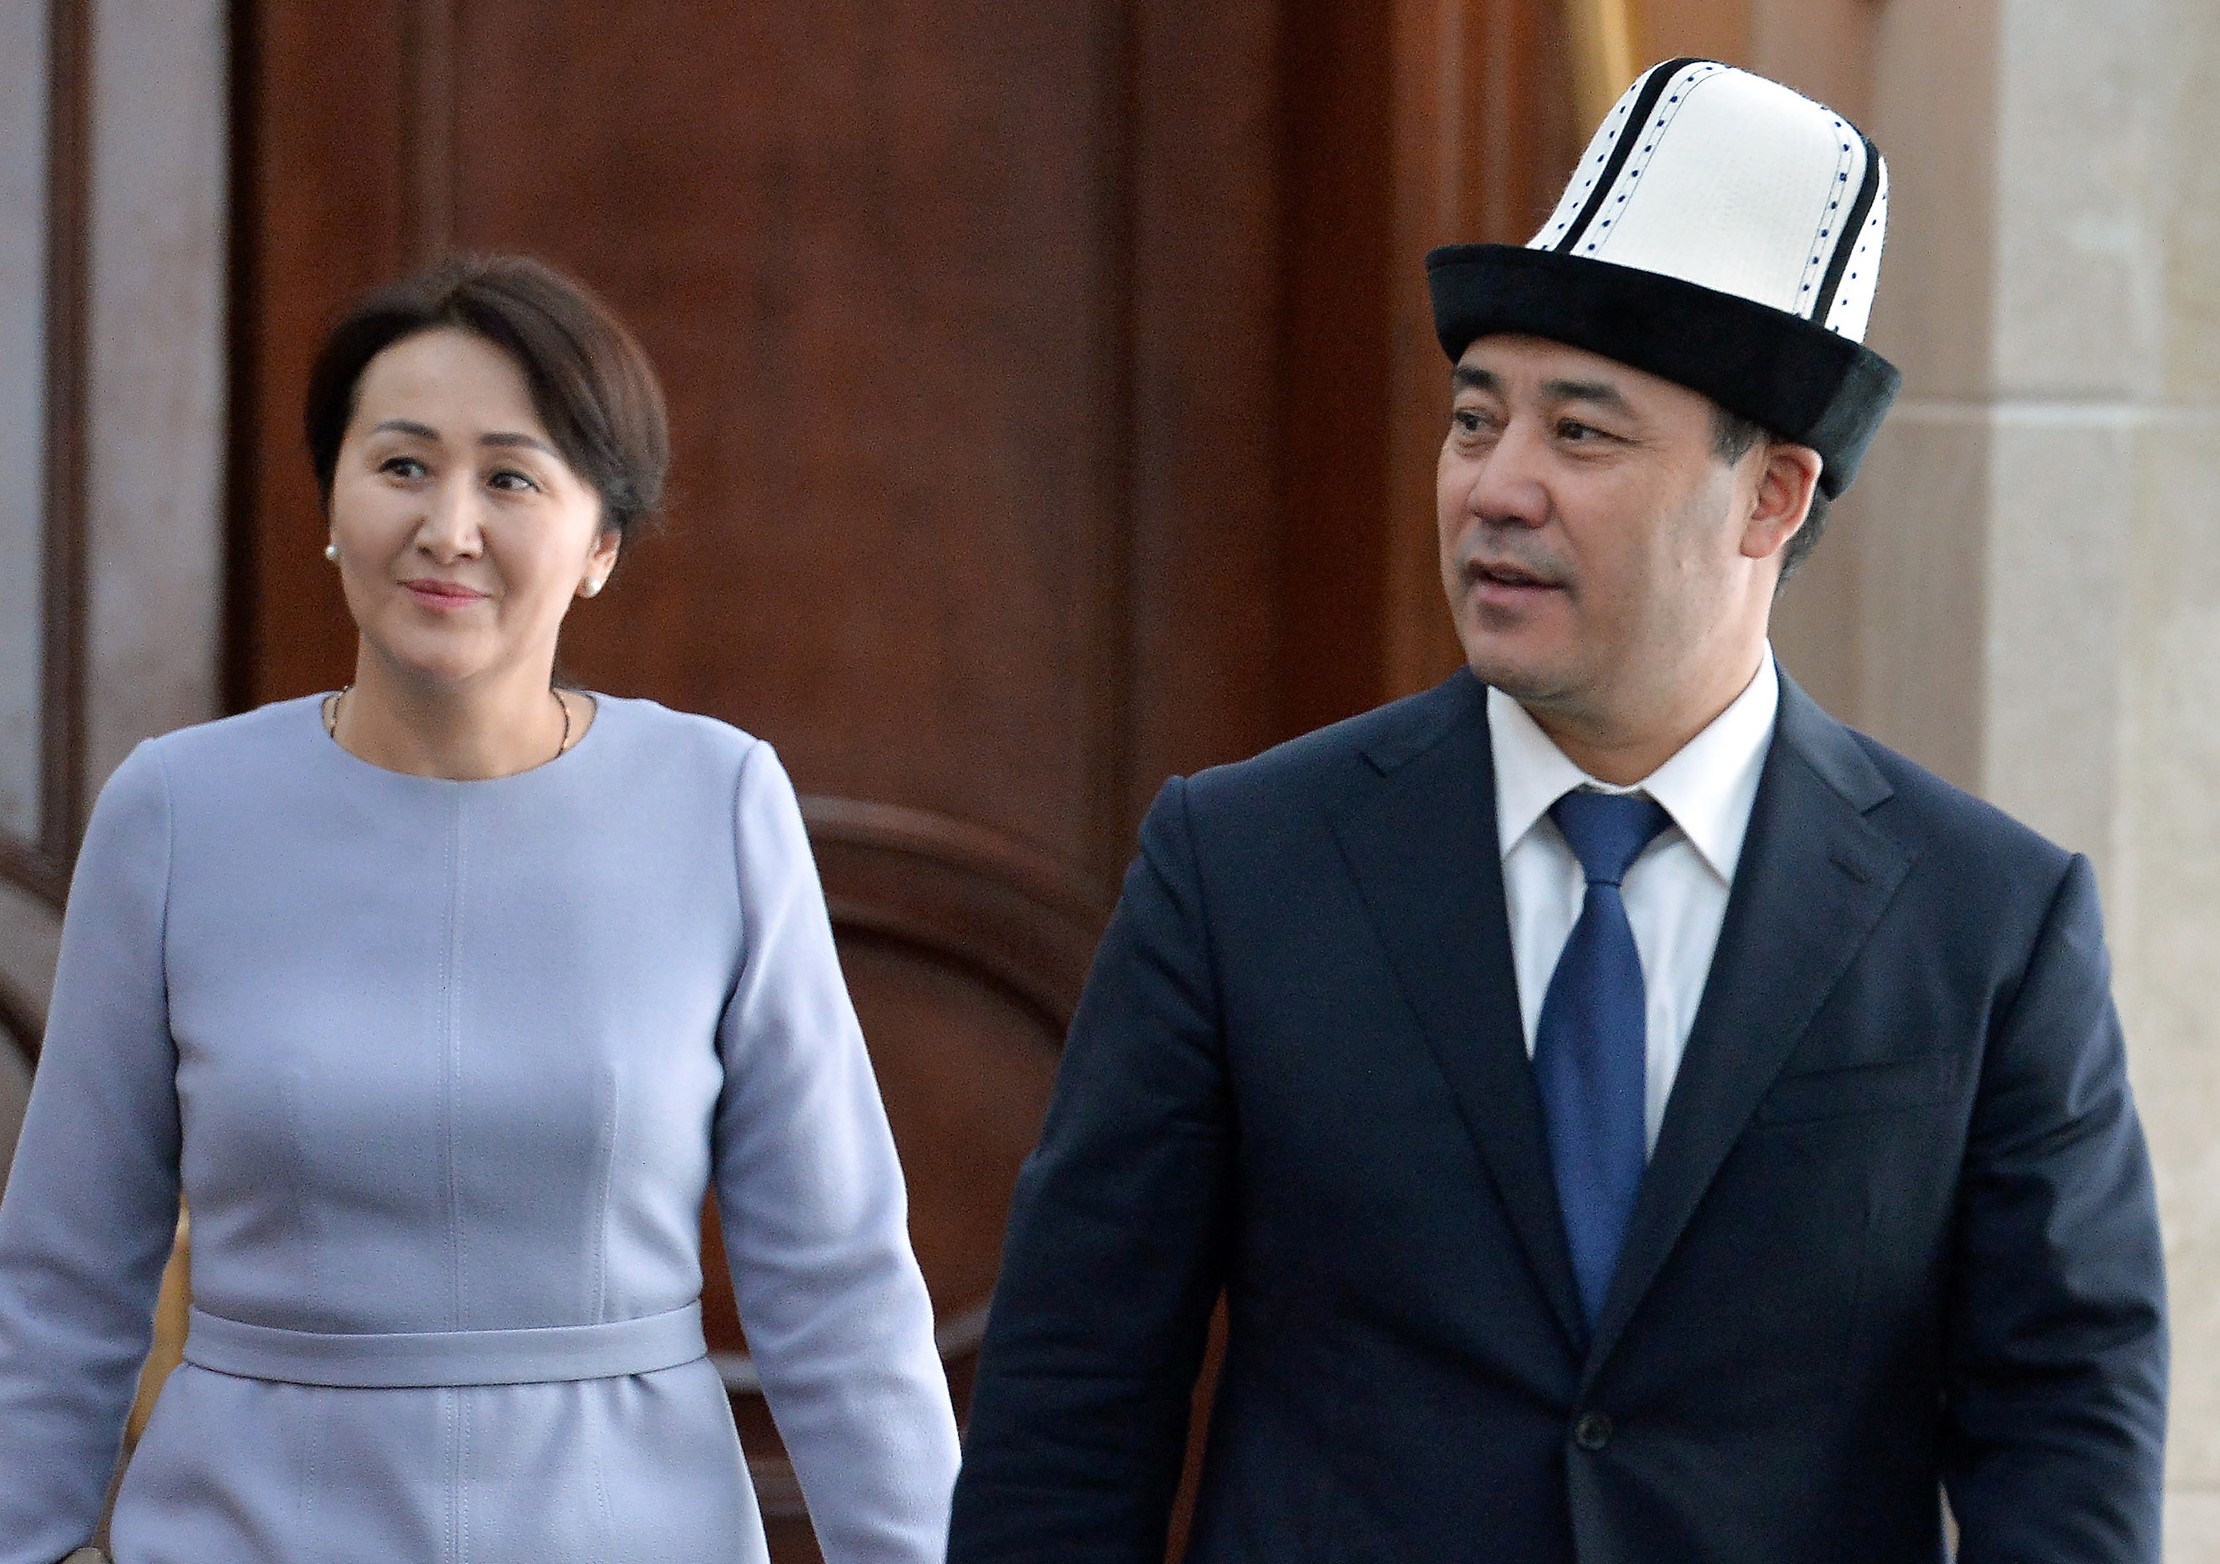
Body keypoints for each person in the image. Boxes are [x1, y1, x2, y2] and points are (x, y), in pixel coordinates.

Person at [946, 60, 2167, 1562]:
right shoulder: (1243, 864)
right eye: (1476, 421)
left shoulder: (1986, 925)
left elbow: (2068, 1438)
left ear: (1772, 497)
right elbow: (1073, 1402)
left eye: (1581, 434)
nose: (1497, 488)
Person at [0, 255, 959, 1563]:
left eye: (511, 479)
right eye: (402, 465)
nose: (448, 528)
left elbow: (838, 1285)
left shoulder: (719, 801)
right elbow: (62, 1278)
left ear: (601, 543)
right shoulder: (175, 812)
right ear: (333, 500)